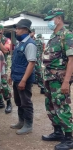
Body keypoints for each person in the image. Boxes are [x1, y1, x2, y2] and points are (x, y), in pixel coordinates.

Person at [42, 8, 73, 150]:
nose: (50, 21)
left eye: (51, 19)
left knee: (61, 106)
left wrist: (66, 81)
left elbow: (71, 60)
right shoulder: (54, 36)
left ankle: (69, 138)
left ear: (59, 18)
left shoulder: (66, 35)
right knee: (50, 106)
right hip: (50, 78)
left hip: (59, 79)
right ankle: (57, 132)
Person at [9, 19, 37, 135]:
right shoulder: (20, 43)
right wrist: (11, 75)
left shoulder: (30, 44)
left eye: (18, 28)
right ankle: (21, 121)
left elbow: (31, 63)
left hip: (23, 79)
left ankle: (28, 125)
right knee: (18, 101)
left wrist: (24, 80)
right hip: (17, 77)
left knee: (26, 102)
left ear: (25, 29)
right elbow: (16, 61)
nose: (16, 31)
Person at [0, 24, 12, 114]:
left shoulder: (6, 40)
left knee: (4, 85)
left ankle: (9, 103)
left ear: (2, 31)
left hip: (2, 66)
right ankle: (0, 102)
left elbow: (5, 50)